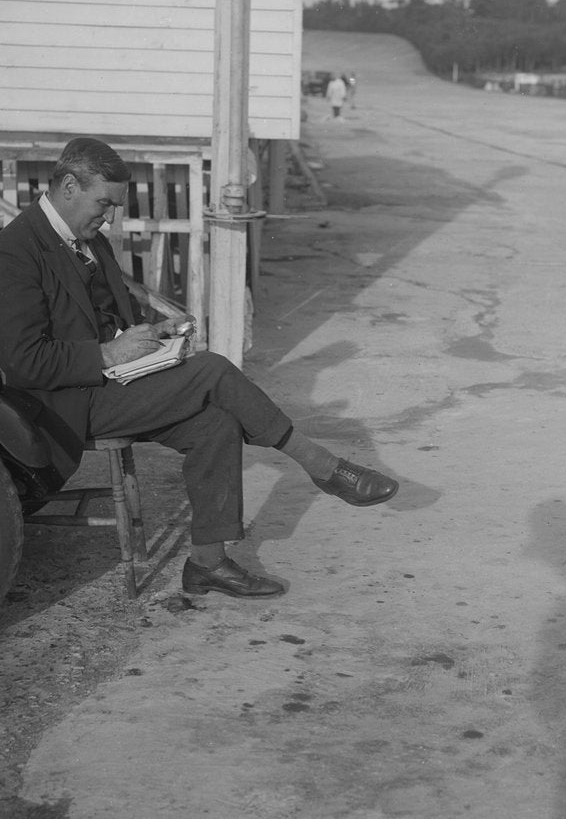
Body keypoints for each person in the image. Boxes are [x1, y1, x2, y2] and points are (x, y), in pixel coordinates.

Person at [0, 138, 398, 599]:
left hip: (112, 383)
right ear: (69, 186)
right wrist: (108, 355)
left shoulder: (88, 240)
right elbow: (22, 362)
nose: (109, 216)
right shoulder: (16, 250)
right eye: (104, 203)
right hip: (65, 402)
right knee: (212, 370)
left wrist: (156, 332)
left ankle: (208, 562)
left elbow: (113, 314)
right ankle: (322, 466)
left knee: (215, 422)